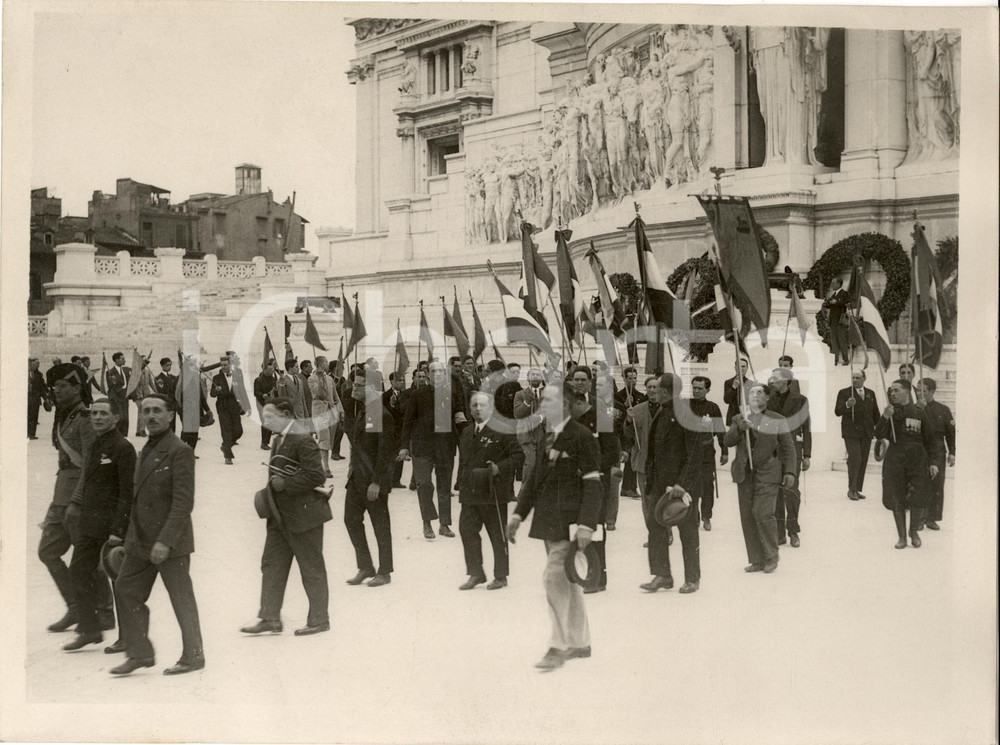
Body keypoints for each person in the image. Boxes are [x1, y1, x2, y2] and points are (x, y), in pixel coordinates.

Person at [506, 383, 602, 671]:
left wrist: (586, 525)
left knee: (553, 579)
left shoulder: (582, 436)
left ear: (564, 404)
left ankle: (558, 646)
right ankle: (580, 642)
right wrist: (518, 515)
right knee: (568, 582)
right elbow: (535, 478)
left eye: (547, 400)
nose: (541, 405)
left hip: (570, 522)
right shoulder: (549, 436)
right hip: (551, 521)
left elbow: (594, 483)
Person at [111, 394, 204, 676]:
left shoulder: (180, 451)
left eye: (156, 411)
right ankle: (140, 653)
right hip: (140, 541)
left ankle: (194, 655)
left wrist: (165, 540)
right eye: (145, 411)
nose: (150, 416)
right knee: (125, 589)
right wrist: (128, 539)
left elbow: (182, 502)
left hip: (169, 543)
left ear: (170, 415)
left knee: (181, 599)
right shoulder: (145, 449)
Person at [241, 397, 332, 635]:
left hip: (305, 518)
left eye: (271, 417)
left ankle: (319, 620)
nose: (266, 421)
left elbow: (317, 476)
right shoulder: (279, 439)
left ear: (287, 414)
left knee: (311, 569)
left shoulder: (302, 438)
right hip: (281, 517)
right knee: (271, 565)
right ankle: (270, 617)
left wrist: (286, 483)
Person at [39, 363, 114, 632]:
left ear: (77, 387)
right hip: (61, 495)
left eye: (62, 386)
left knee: (87, 555)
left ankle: (105, 612)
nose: (56, 390)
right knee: (47, 552)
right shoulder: (64, 416)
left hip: (79, 497)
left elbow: (90, 464)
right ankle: (76, 608)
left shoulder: (84, 418)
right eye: (55, 386)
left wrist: (78, 500)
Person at [62, 398, 136, 652]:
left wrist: (119, 530)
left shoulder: (124, 448)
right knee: (78, 571)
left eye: (104, 414)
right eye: (94, 414)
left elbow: (127, 492)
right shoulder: (95, 444)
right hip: (90, 523)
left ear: (116, 418)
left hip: (111, 527)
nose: (97, 418)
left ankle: (127, 637)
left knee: (119, 581)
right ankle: (90, 629)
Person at [725, 384, 797, 574]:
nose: (754, 395)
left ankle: (771, 556)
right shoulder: (739, 418)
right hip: (744, 474)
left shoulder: (778, 419)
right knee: (747, 516)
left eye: (759, 393)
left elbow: (788, 447)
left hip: (768, 473)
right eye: (751, 392)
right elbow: (727, 441)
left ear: (767, 398)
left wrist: (790, 471)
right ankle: (756, 559)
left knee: (763, 513)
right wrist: (739, 429)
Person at [641, 373, 701, 594]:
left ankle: (692, 579)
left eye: (656, 387)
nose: (653, 390)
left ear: (665, 391)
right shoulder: (662, 412)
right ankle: (662, 575)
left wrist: (682, 484)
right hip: (659, 483)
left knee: (688, 531)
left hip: (680, 487)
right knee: (655, 527)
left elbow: (695, 454)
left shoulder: (685, 414)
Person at [458, 392, 523, 590]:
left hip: (492, 491)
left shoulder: (503, 430)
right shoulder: (467, 432)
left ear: (491, 408)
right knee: (467, 530)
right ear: (470, 409)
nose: (478, 409)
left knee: (497, 534)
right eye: (474, 405)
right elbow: (463, 462)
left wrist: (499, 468)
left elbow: (518, 456)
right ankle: (476, 573)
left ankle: (501, 575)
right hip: (470, 490)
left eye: (482, 405)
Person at [398, 362, 463, 539]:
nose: (437, 374)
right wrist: (404, 446)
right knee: (424, 485)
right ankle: (427, 523)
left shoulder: (452, 394)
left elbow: (460, 418)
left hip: (445, 447)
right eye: (433, 371)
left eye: (440, 371)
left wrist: (466, 442)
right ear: (428, 374)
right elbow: (408, 422)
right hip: (422, 447)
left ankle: (444, 524)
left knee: (444, 487)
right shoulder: (417, 395)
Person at [344, 372, 397, 588]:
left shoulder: (379, 414)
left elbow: (385, 452)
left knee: (380, 526)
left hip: (373, 482)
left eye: (359, 385)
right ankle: (365, 566)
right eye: (354, 384)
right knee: (351, 520)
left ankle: (384, 571)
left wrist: (377, 482)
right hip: (357, 479)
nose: (353, 388)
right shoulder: (363, 410)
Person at [876, 381, 943, 550]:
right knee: (897, 497)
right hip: (895, 459)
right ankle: (901, 537)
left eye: (896, 391)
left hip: (917, 459)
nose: (892, 394)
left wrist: (934, 463)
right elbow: (878, 435)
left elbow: (930, 440)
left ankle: (914, 532)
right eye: (891, 391)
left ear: (907, 392)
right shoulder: (889, 412)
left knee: (918, 496)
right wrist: (884, 417)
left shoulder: (919, 413)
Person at [766, 368, 811, 547]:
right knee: (776, 492)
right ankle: (779, 532)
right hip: (773, 451)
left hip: (793, 451)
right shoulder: (768, 398)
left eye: (775, 378)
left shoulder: (800, 400)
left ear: (786, 381)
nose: (771, 381)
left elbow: (806, 428)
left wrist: (807, 454)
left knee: (791, 491)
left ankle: (793, 530)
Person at [687, 376, 727, 531]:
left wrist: (724, 451)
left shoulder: (713, 408)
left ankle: (706, 516)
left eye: (700, 388)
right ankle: (694, 515)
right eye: (694, 388)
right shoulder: (685, 405)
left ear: (707, 390)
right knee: (691, 485)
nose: (696, 391)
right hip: (688, 453)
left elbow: (720, 430)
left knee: (707, 486)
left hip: (706, 453)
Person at [915, 378, 955, 531]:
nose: (919, 393)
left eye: (923, 391)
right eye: (917, 390)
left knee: (937, 483)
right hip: (919, 446)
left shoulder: (943, 409)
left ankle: (932, 518)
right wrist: (919, 409)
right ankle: (919, 518)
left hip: (938, 447)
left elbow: (951, 433)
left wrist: (952, 452)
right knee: (920, 484)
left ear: (932, 392)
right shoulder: (914, 407)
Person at [625, 376, 659, 501]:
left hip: (662, 462)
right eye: (649, 387)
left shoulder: (668, 409)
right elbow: (628, 435)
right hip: (642, 460)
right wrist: (629, 420)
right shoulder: (637, 410)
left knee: (660, 498)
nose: (652, 389)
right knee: (646, 499)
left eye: (655, 387)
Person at [615, 366, 647, 497]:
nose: (632, 381)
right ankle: (626, 487)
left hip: (636, 432)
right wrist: (625, 406)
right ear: (623, 378)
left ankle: (630, 487)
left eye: (635, 378)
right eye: (629, 378)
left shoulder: (640, 396)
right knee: (626, 458)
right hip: (622, 431)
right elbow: (615, 415)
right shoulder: (616, 396)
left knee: (633, 459)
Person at [211, 355, 246, 465]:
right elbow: (212, 394)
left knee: (238, 431)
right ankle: (228, 456)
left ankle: (225, 446)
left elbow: (242, 390)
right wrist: (216, 390)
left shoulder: (238, 375)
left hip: (234, 406)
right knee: (226, 432)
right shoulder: (217, 378)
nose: (223, 367)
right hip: (223, 406)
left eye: (225, 365)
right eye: (221, 365)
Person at [382, 372, 409, 488]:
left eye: (403, 380)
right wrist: (391, 405)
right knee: (390, 455)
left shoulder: (405, 395)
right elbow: (383, 413)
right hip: (390, 429)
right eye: (399, 380)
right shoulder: (385, 396)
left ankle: (396, 480)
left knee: (400, 453)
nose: (401, 382)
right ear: (392, 382)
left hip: (401, 428)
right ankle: (389, 478)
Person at [822, 278, 850, 365]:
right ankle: (835, 359)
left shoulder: (844, 293)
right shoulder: (834, 294)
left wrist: (836, 302)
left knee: (842, 340)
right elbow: (831, 306)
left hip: (840, 320)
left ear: (838, 284)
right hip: (833, 320)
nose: (832, 285)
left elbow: (847, 303)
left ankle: (846, 359)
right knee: (834, 341)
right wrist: (827, 303)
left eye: (833, 283)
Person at [253, 359, 279, 450]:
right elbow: (256, 392)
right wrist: (263, 395)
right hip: (262, 404)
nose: (272, 371)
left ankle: (266, 442)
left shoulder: (273, 380)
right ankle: (263, 443)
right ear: (264, 370)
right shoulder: (258, 380)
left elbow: (276, 391)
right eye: (270, 369)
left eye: (272, 369)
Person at [723, 357, 755, 426]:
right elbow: (726, 400)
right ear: (735, 367)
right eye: (739, 366)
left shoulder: (751, 383)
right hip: (733, 418)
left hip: (747, 418)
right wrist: (733, 387)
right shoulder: (729, 382)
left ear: (747, 368)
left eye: (743, 366)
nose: (741, 368)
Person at [106, 352, 131, 437]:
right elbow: (111, 386)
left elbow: (137, 370)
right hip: (116, 398)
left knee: (126, 419)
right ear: (116, 360)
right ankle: (116, 437)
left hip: (124, 397)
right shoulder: (110, 372)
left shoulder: (126, 370)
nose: (124, 360)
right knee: (120, 418)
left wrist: (145, 361)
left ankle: (124, 437)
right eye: (122, 359)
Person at [131, 356, 156, 437]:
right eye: (144, 361)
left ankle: (139, 430)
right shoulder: (135, 372)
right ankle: (141, 430)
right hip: (138, 394)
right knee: (142, 411)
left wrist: (157, 392)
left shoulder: (147, 372)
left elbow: (151, 383)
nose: (145, 362)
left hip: (146, 394)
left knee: (142, 412)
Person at [154, 358, 179, 432]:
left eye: (170, 365)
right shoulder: (158, 379)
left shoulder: (174, 377)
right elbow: (162, 391)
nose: (169, 367)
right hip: (165, 404)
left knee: (173, 424)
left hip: (173, 404)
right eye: (167, 365)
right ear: (162, 366)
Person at [28, 357, 48, 440]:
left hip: (35, 399)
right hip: (25, 399)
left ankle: (31, 434)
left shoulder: (39, 375)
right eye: (35, 364)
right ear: (29, 364)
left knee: (34, 417)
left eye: (37, 364)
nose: (37, 366)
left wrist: (45, 397)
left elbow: (42, 387)